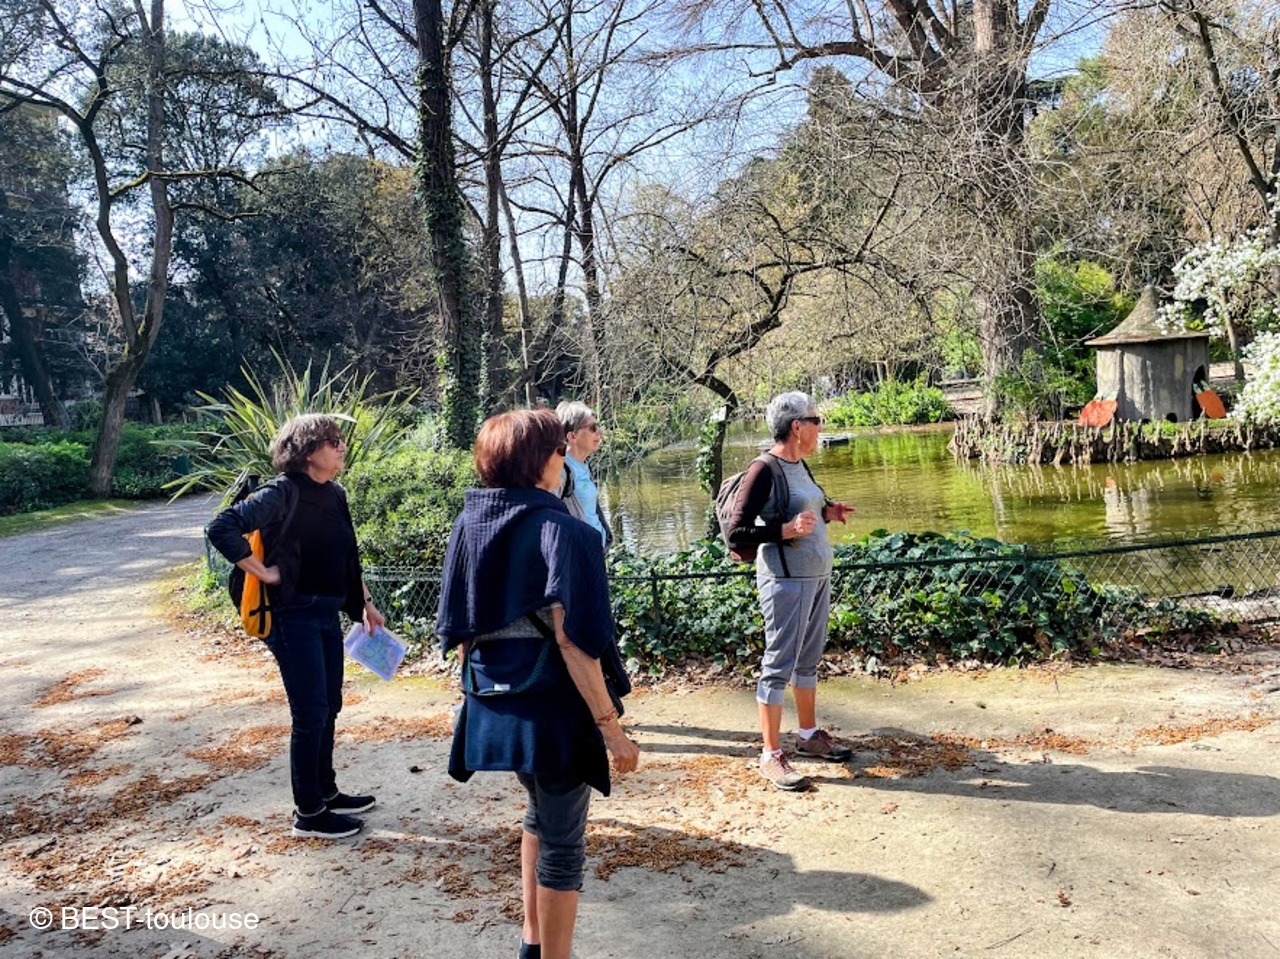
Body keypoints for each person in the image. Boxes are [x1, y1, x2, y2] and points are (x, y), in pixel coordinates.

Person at [437, 408, 639, 959]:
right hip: (556, 709)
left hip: (495, 701)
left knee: (540, 812)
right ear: (541, 460)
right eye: (558, 450)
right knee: (564, 848)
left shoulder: (469, 525)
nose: (564, 460)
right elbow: (574, 642)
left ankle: (532, 940)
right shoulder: (566, 531)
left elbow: (462, 629)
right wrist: (612, 729)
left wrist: (477, 695)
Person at [206, 414, 385, 839]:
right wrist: (263, 572)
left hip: (326, 612)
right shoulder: (281, 492)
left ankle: (326, 791)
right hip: (291, 616)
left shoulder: (335, 493)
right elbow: (222, 527)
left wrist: (365, 603)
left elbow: (346, 556)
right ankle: (308, 812)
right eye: (333, 441)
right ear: (307, 450)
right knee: (310, 712)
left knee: (330, 705)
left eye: (341, 441)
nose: (342, 447)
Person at [725, 391, 854, 791]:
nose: (820, 427)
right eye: (816, 420)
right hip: (784, 581)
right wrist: (784, 530)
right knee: (778, 664)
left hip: (816, 576)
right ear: (797, 426)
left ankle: (809, 735)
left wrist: (827, 512)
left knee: (808, 662)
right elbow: (737, 531)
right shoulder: (764, 469)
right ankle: (770, 755)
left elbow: (804, 508)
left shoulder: (800, 465)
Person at [555, 400, 612, 550]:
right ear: (572, 436)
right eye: (592, 428)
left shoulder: (584, 465)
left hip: (596, 554)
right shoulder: (560, 471)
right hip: (580, 556)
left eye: (597, 426)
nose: (599, 432)